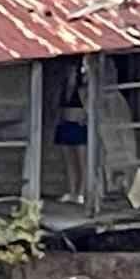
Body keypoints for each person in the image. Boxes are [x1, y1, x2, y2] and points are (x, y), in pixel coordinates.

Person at [54, 62, 87, 204]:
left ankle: (81, 191)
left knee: (82, 161)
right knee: (69, 162)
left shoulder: (83, 88)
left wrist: (85, 116)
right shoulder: (63, 89)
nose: (70, 74)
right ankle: (72, 190)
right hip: (65, 124)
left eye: (73, 71)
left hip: (78, 125)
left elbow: (90, 105)